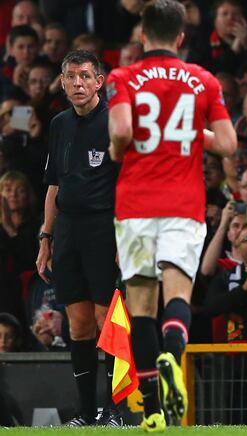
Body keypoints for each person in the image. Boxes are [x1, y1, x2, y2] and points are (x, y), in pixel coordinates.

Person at [106, 0, 237, 431]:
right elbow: (228, 143)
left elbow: (122, 131)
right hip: (182, 204)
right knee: (177, 294)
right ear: (181, 37)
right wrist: (185, 131)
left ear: (142, 34)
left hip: (135, 206)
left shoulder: (123, 77)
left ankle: (154, 412)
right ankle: (172, 352)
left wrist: (116, 150)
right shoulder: (202, 79)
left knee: (141, 306)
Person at [35, 50, 121, 427]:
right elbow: (53, 183)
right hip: (67, 229)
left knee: (107, 320)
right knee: (79, 323)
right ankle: (87, 413)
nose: (78, 84)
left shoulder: (116, 121)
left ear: (99, 81)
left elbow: (128, 185)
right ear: (63, 82)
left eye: (86, 76)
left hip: (104, 228)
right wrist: (45, 237)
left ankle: (115, 412)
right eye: (71, 77)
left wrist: (123, 237)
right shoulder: (58, 124)